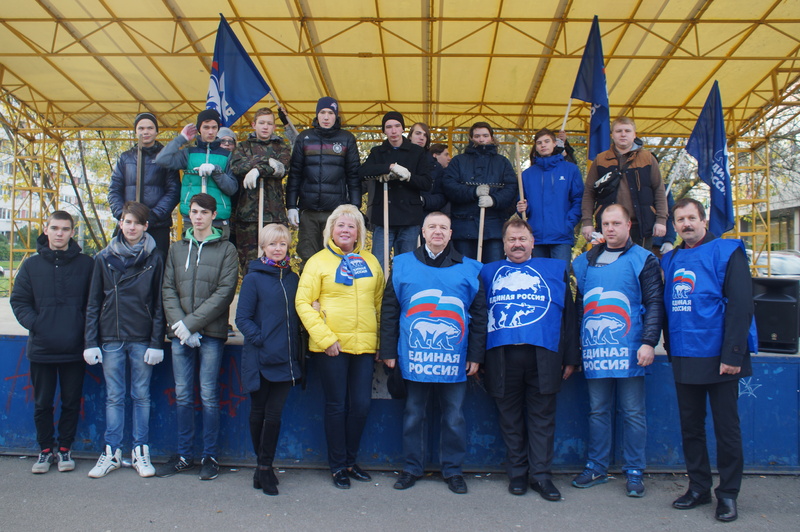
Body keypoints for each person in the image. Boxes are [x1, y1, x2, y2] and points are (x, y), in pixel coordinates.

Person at [661, 198, 756, 522]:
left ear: (703, 220)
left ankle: (728, 494)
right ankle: (698, 487)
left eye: (691, 218)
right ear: (674, 225)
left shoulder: (728, 251)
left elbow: (741, 305)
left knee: (727, 430)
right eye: (680, 220)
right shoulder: (670, 259)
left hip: (720, 356)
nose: (686, 224)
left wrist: (733, 354)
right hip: (686, 356)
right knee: (691, 429)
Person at [380, 211, 487, 494]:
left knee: (453, 416)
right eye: (432, 227)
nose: (437, 231)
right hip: (412, 357)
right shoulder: (402, 265)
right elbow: (390, 309)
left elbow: (479, 316)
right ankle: (411, 468)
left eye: (443, 227)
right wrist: (388, 349)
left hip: (455, 360)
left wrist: (475, 355)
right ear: (423, 232)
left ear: (451, 233)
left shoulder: (470, 268)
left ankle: (452, 470)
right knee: (414, 413)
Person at [481, 219, 580, 500]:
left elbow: (569, 316)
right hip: (501, 356)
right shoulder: (488, 273)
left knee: (542, 419)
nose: (517, 244)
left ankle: (541, 476)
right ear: (503, 244)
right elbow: (477, 317)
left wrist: (571, 357)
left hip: (544, 356)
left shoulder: (554, 270)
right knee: (509, 419)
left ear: (533, 242)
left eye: (522, 239)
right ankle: (517, 475)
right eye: (512, 239)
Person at [571, 204, 663, 497]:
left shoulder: (643, 259)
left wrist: (649, 341)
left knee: (633, 412)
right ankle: (596, 466)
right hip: (596, 349)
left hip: (631, 347)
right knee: (597, 410)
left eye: (616, 223)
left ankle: (635, 471)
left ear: (628, 226)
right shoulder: (584, 261)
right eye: (606, 223)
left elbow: (654, 303)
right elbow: (580, 306)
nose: (610, 228)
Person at [295, 205, 384, 489]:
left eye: (351, 226)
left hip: (365, 346)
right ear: (331, 230)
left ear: (359, 232)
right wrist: (325, 338)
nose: (345, 230)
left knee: (360, 405)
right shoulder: (317, 262)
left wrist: (381, 340)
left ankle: (350, 460)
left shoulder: (371, 262)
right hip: (331, 346)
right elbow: (303, 303)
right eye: (340, 225)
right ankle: (337, 466)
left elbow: (380, 304)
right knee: (336, 406)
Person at [157, 193, 239, 481]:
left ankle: (210, 456)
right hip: (180, 334)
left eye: (204, 212)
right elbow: (167, 288)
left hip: (211, 334)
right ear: (188, 215)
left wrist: (191, 323)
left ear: (213, 215)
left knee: (208, 395)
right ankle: (183, 455)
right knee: (182, 395)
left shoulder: (227, 249)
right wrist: (180, 324)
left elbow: (224, 292)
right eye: (194, 211)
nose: (198, 216)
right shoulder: (177, 249)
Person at [82, 201, 165, 479]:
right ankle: (112, 452)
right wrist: (90, 341)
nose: (131, 227)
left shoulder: (155, 257)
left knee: (141, 396)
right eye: (127, 222)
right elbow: (94, 302)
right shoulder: (104, 257)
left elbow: (158, 304)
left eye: (137, 223)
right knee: (114, 397)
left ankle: (141, 451)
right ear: (120, 224)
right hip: (111, 336)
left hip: (142, 337)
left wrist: (156, 342)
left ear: (145, 227)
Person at [10, 211, 94, 474]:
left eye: (65, 229)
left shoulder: (86, 264)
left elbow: (94, 304)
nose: (59, 233)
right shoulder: (31, 266)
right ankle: (45, 450)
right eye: (55, 228)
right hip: (42, 347)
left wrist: (80, 329)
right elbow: (19, 301)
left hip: (74, 348)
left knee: (71, 401)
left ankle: (65, 449)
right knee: (43, 403)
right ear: (46, 230)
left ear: (72, 232)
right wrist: (39, 324)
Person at [235, 224, 303, 496]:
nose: (278, 249)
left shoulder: (293, 278)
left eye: (282, 244)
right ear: (263, 247)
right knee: (258, 414)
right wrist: (262, 339)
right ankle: (262, 468)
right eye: (272, 244)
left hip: (286, 360)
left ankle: (264, 466)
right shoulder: (253, 277)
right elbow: (242, 318)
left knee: (274, 416)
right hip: (261, 357)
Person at [286, 97, 361, 267]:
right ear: (317, 115)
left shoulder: (346, 138)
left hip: (335, 212)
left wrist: (355, 206)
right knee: (308, 257)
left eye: (330, 113)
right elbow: (295, 174)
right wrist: (291, 205)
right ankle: (309, 293)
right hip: (308, 210)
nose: (326, 117)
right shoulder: (304, 137)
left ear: (336, 116)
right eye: (322, 113)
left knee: (335, 256)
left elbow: (353, 175)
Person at [580, 117, 668, 249]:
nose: (623, 134)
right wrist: (587, 222)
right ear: (612, 135)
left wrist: (661, 220)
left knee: (640, 267)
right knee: (608, 267)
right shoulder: (600, 160)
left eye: (627, 131)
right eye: (618, 131)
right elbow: (589, 192)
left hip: (641, 225)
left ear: (634, 135)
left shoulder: (648, 158)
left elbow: (659, 190)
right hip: (608, 227)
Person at [359, 112, 431, 270]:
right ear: (384, 130)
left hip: (409, 217)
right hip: (383, 217)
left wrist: (408, 177)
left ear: (403, 129)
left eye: (397, 126)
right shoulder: (377, 152)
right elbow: (362, 171)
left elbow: (426, 183)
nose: (393, 130)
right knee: (379, 263)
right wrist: (388, 167)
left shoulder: (417, 152)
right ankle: (380, 294)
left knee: (407, 265)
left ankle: (404, 294)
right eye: (389, 127)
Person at [155, 108, 238, 240]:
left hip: (219, 218)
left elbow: (232, 188)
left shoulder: (228, 156)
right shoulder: (188, 153)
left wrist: (216, 171)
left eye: (214, 127)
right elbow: (161, 160)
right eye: (206, 127)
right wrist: (181, 139)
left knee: (217, 259)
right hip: (192, 218)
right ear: (199, 128)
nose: (210, 131)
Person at [441, 122, 518, 263]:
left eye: (485, 136)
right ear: (471, 138)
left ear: (492, 138)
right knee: (465, 272)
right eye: (477, 136)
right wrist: (473, 192)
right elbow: (449, 186)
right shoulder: (459, 161)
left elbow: (511, 188)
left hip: (493, 228)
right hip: (464, 228)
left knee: (492, 271)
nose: (481, 139)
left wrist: (494, 200)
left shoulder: (502, 162)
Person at [108, 112, 180, 257]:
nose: (145, 132)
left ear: (156, 131)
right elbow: (114, 190)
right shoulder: (125, 158)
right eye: (141, 128)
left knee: (156, 267)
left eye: (150, 128)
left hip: (157, 225)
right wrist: (123, 216)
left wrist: (152, 216)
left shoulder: (166, 158)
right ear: (135, 131)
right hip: (129, 225)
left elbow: (173, 191)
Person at [230, 108, 292, 275]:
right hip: (247, 216)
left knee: (277, 262)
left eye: (269, 123)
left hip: (274, 215)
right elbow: (236, 167)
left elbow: (281, 168)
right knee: (249, 264)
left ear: (274, 127)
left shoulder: (281, 147)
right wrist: (266, 162)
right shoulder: (243, 147)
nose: (265, 127)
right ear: (253, 124)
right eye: (262, 123)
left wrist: (257, 170)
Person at [516, 128, 583, 263]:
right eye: (539, 142)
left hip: (561, 236)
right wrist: (522, 208)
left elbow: (578, 199)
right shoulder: (527, 174)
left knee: (560, 279)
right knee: (539, 279)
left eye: (547, 141)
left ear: (554, 144)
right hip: (536, 236)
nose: (543, 145)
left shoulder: (570, 169)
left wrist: (568, 224)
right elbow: (522, 203)